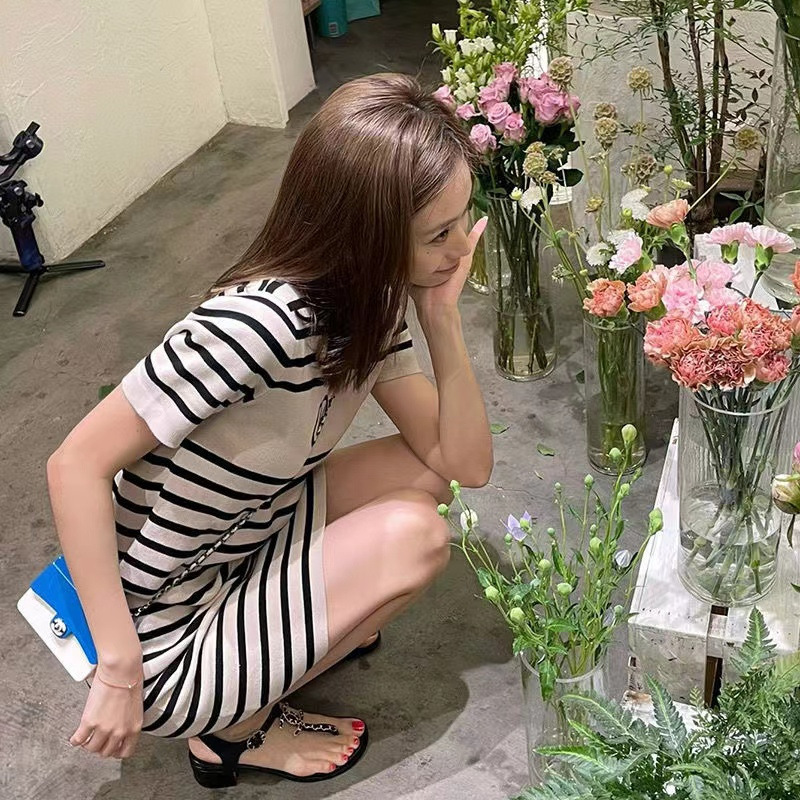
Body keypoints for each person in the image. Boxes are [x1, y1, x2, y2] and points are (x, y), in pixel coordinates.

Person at [46, 72, 493, 787]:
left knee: (427, 477)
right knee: (416, 536)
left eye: (461, 223)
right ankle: (231, 730)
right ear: (368, 234)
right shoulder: (256, 325)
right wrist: (120, 668)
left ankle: (284, 644)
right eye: (439, 234)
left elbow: (464, 464)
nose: (460, 250)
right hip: (154, 634)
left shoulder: (370, 302)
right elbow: (75, 464)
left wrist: (440, 318)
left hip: (237, 546)